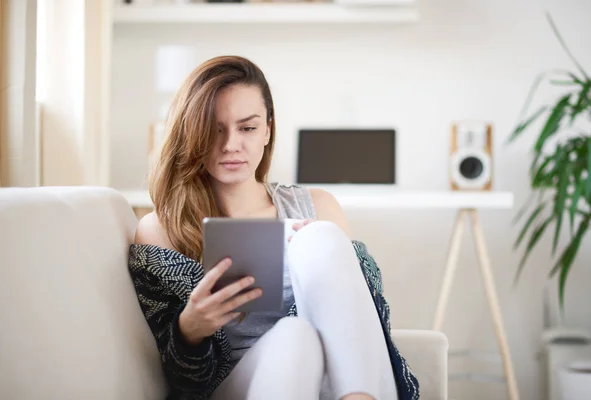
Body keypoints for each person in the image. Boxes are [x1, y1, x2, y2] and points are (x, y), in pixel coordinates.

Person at [128, 55, 419, 400]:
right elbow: (179, 379)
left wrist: (324, 254)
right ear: (192, 132)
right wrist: (190, 326)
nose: (230, 145)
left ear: (268, 129)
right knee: (295, 337)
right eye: (214, 129)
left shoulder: (318, 206)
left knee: (321, 237)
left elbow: (366, 316)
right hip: (237, 383)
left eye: (247, 128)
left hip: (333, 384)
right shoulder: (162, 229)